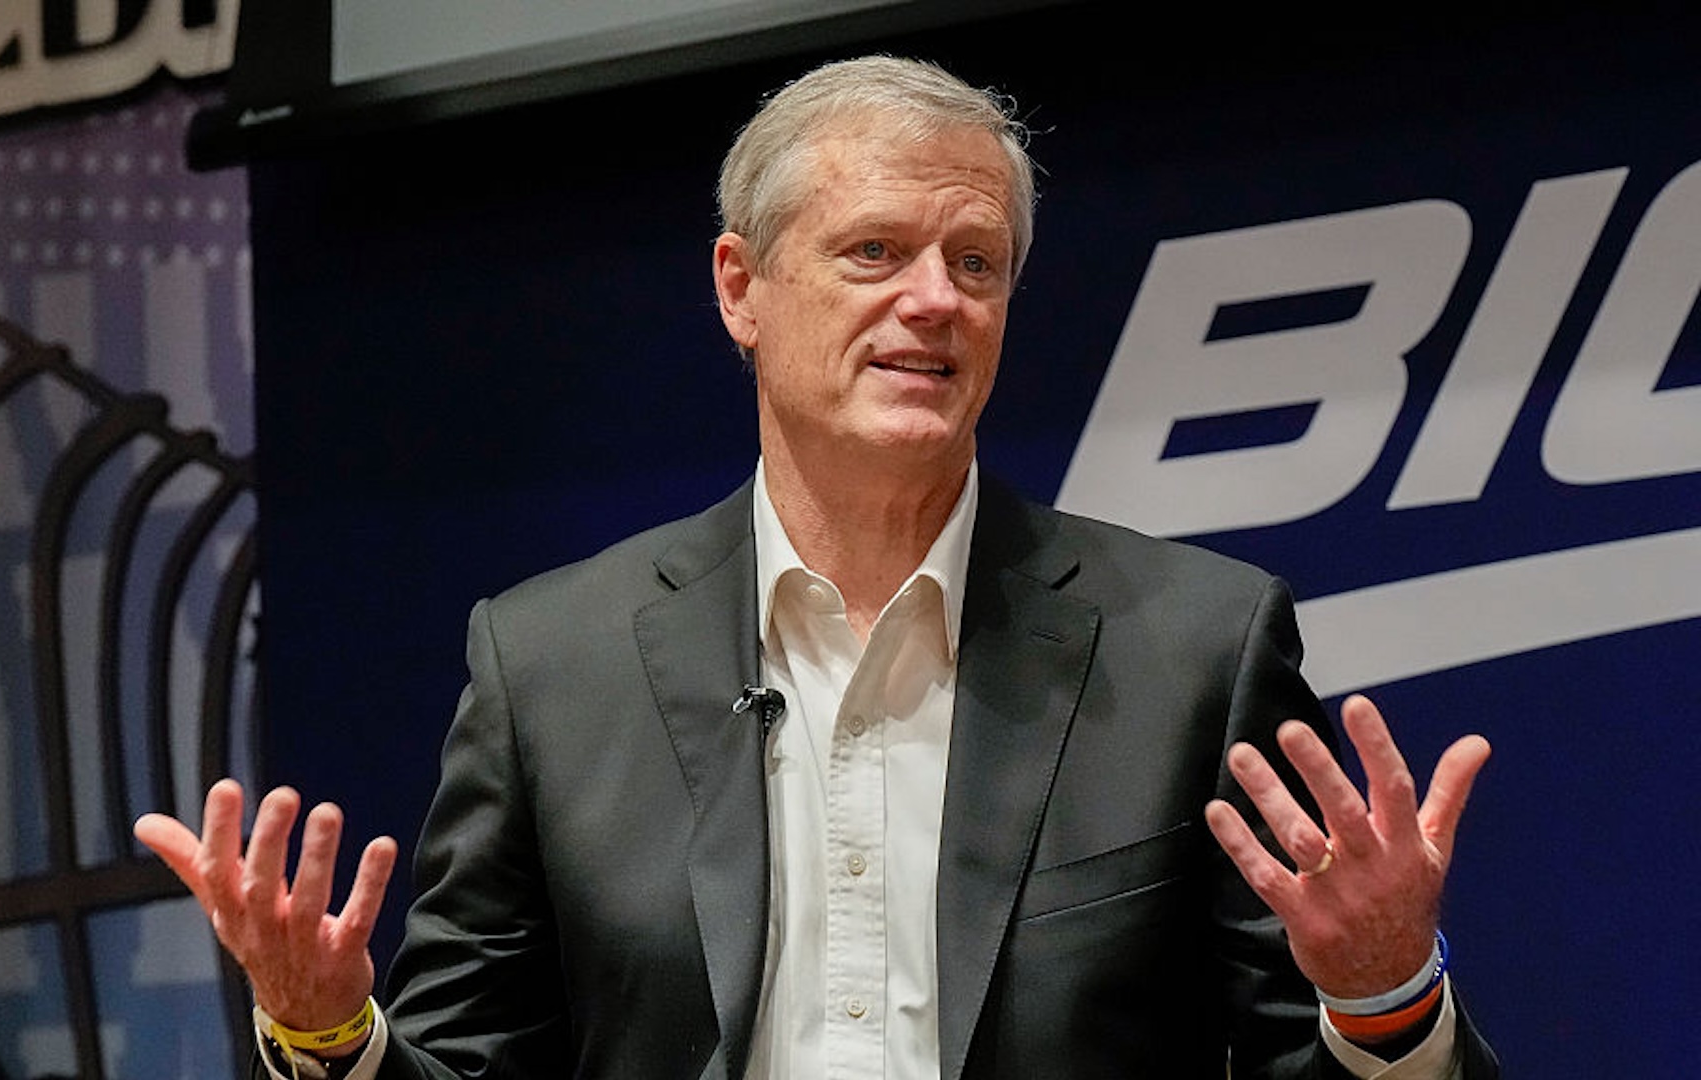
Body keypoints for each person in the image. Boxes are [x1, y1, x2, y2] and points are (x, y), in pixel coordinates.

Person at [136, 56, 1499, 1079]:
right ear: (740, 287)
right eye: (874, 253)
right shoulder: (551, 665)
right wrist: (328, 1027)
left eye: (977, 262)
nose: (936, 299)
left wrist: (1384, 999)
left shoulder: (1196, 647)